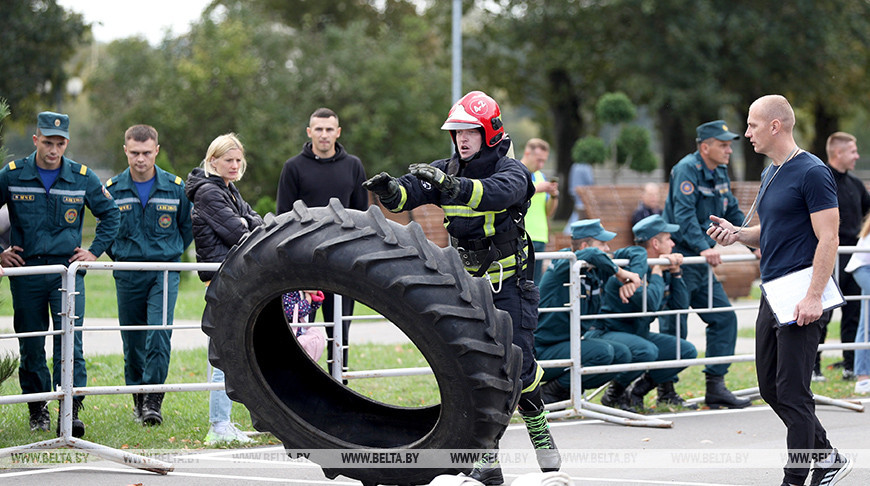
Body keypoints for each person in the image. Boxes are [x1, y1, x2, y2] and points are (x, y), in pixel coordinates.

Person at [363, 90, 560, 484]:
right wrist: (389, 191)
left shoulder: (514, 171)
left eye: (470, 131)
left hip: (510, 285)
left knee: (517, 366)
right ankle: (486, 456)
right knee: (476, 371)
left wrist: (455, 189)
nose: (462, 139)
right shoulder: (445, 169)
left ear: (488, 132)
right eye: (456, 132)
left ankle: (538, 427)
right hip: (468, 286)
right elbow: (410, 194)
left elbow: (497, 194)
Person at [708, 94, 851, 486]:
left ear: (775, 126)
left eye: (753, 125)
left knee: (793, 391)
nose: (747, 133)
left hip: (802, 296)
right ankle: (827, 456)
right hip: (772, 295)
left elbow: (829, 238)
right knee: (771, 388)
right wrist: (737, 234)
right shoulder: (772, 171)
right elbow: (768, 233)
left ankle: (795, 476)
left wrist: (812, 297)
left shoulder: (812, 172)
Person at [0, 111, 120, 437]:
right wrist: (0, 252)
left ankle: (71, 408)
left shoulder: (82, 177)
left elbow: (111, 215)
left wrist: (93, 251)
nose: (53, 150)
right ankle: (37, 408)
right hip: (27, 272)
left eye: (60, 143)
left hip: (67, 273)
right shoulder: (12, 174)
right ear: (36, 139)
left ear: (67, 143)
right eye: (48, 142)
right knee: (31, 343)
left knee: (70, 342)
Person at [659, 120, 752, 409]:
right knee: (675, 325)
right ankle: (665, 389)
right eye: (723, 145)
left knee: (724, 318)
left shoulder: (720, 170)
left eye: (729, 145)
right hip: (681, 260)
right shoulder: (686, 169)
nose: (729, 150)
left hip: (700, 262)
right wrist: (704, 248)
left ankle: (716, 386)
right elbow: (684, 216)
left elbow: (732, 208)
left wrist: (752, 241)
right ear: (705, 147)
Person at [105, 125, 193, 426]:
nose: (140, 159)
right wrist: (120, 254)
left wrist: (169, 251)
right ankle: (138, 401)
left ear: (156, 150)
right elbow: (106, 230)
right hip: (127, 272)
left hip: (163, 271)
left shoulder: (175, 187)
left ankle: (154, 401)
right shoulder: (113, 188)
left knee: (159, 333)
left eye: (146, 153)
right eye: (134, 153)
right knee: (132, 342)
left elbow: (187, 228)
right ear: (125, 151)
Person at [276, 107, 368, 376]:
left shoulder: (354, 166)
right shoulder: (293, 167)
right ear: (309, 132)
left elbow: (362, 216)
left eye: (329, 129)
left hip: (342, 264)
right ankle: (304, 387)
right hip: (305, 267)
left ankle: (341, 385)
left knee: (340, 330)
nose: (324, 134)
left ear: (338, 132)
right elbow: (285, 218)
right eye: (319, 129)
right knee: (302, 332)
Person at [186, 133, 262, 445]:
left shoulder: (227, 189)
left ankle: (223, 422)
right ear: (212, 160)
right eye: (227, 160)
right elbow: (237, 231)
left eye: (237, 160)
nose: (234, 165)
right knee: (222, 351)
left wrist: (247, 222)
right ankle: (218, 425)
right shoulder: (208, 191)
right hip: (221, 276)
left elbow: (255, 222)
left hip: (231, 275)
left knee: (229, 349)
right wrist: (246, 223)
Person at [592, 215, 698, 411]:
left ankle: (638, 391)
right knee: (647, 350)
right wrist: (657, 271)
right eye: (668, 238)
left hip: (637, 334)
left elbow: (680, 306)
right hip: (608, 332)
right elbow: (649, 303)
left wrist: (675, 273)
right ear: (655, 243)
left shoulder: (660, 266)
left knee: (685, 351)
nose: (673, 243)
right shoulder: (630, 269)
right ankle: (615, 393)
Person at [535, 219, 642, 404]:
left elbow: (635, 251)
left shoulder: (594, 269)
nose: (607, 248)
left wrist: (633, 280)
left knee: (622, 354)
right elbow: (591, 253)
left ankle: (561, 392)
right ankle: (549, 394)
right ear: (584, 245)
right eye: (603, 243)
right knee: (603, 352)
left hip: (569, 343)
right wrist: (622, 273)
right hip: (541, 349)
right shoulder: (564, 263)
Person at [815, 132, 870, 382]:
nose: (857, 156)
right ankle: (813, 366)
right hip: (829, 253)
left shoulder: (855, 184)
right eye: (853, 151)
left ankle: (851, 364)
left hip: (854, 254)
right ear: (838, 152)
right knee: (823, 312)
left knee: (854, 312)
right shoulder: (822, 179)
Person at [520, 138, 559, 284]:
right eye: (538, 160)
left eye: (544, 161)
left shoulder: (540, 176)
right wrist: (538, 188)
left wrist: (554, 195)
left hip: (540, 237)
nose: (541, 165)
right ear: (527, 152)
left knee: (535, 283)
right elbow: (514, 193)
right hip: (521, 236)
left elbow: (549, 212)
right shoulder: (514, 172)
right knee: (521, 281)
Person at [844, 216, 870, 395]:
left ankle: (863, 376)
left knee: (865, 321)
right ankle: (863, 378)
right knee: (866, 324)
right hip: (863, 269)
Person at [282, 290, 328, 362]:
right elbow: (288, 312)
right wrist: (307, 302)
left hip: (300, 332)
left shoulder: (299, 288)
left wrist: (315, 295)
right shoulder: (286, 289)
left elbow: (312, 308)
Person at [563, 161, 595, 233]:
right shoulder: (586, 167)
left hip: (575, 193)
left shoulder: (574, 166)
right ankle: (568, 231)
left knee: (577, 213)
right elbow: (590, 181)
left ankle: (568, 231)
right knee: (579, 214)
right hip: (584, 195)